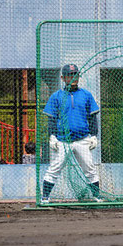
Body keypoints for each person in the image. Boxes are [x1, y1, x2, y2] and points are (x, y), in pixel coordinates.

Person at [40, 64, 102, 204]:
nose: (73, 77)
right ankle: (45, 197)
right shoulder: (56, 96)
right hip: (63, 140)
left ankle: (97, 196)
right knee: (54, 168)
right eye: (69, 75)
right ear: (63, 78)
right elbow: (52, 119)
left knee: (90, 168)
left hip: (82, 139)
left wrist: (94, 136)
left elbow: (92, 117)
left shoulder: (86, 94)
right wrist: (52, 136)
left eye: (75, 74)